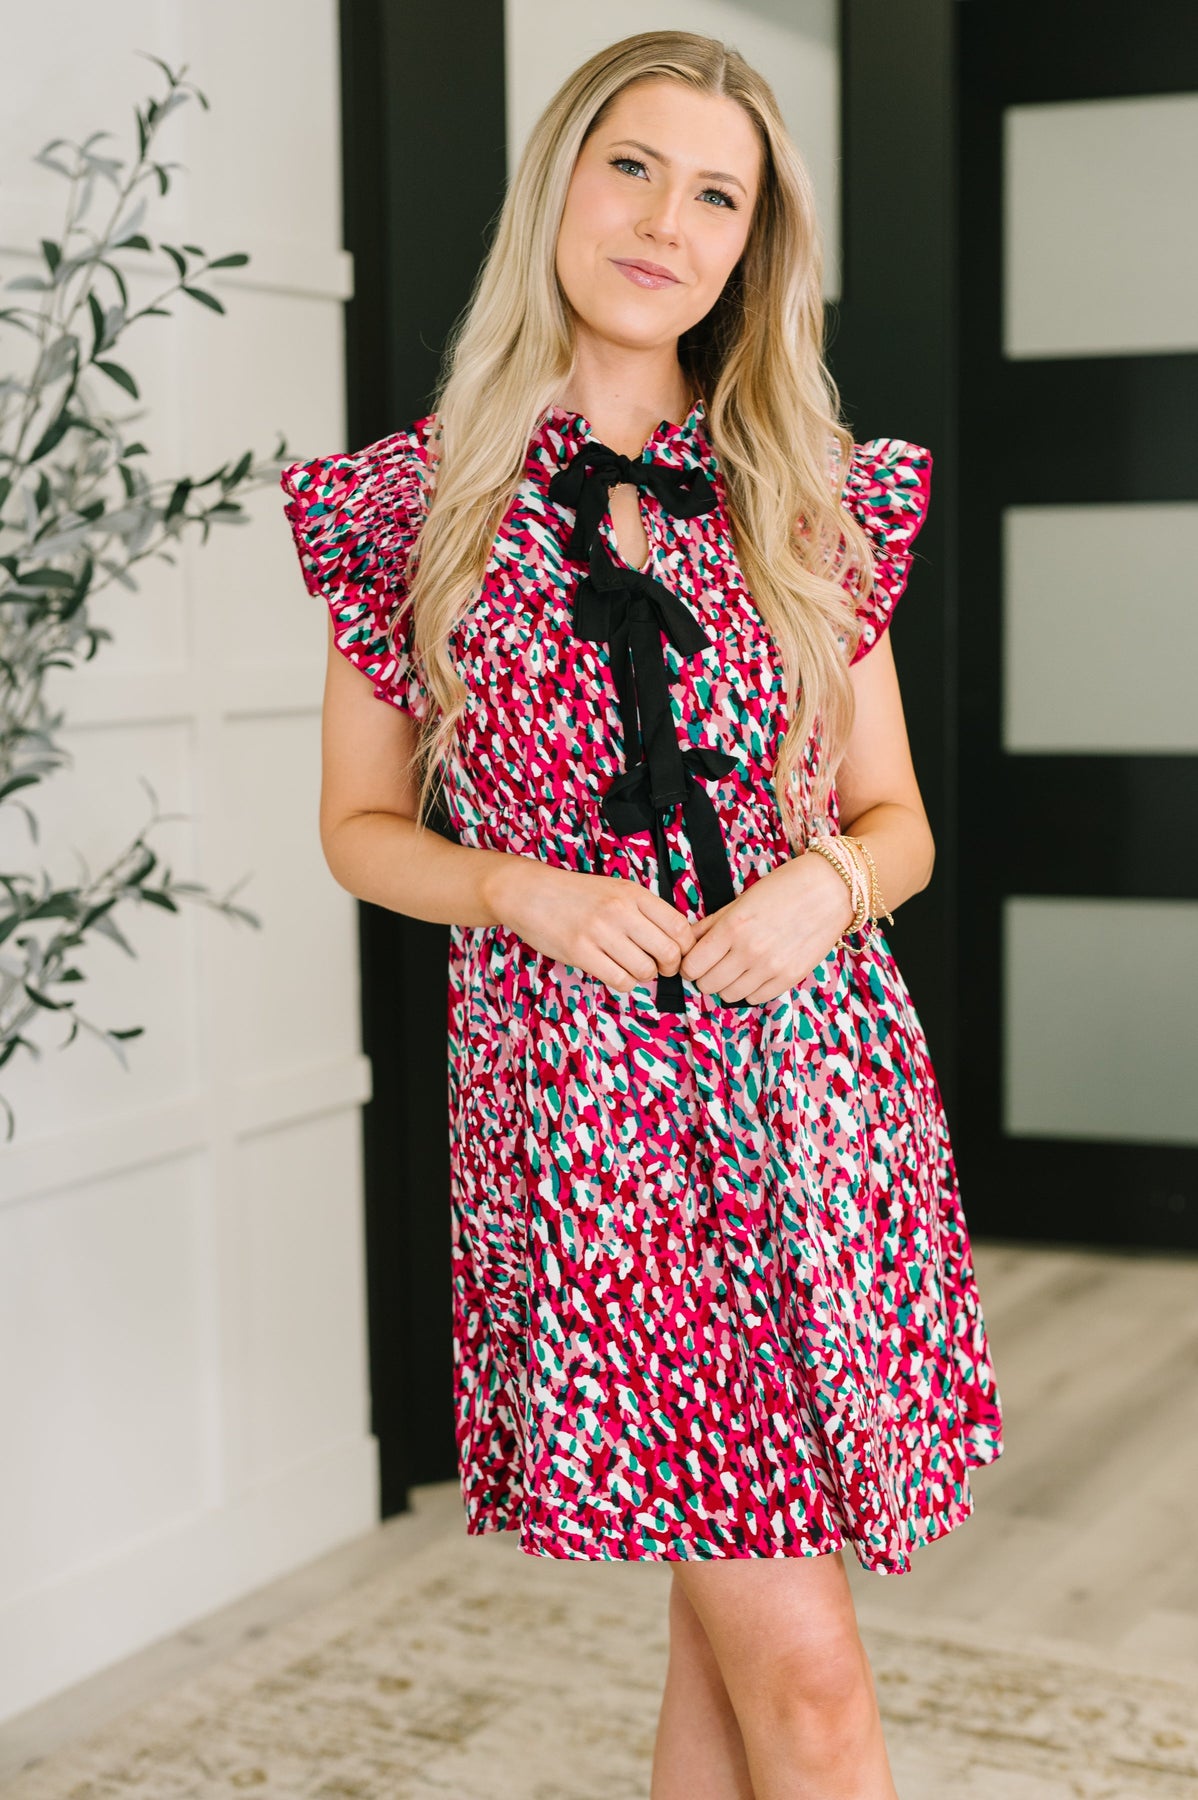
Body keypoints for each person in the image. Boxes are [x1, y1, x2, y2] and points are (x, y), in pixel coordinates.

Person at [280, 28, 1004, 1800]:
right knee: (804, 1683)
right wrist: (514, 888)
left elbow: (898, 824)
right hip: (587, 1125)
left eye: (715, 195)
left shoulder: (811, 492)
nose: (665, 223)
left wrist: (822, 887)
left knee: (731, 1643)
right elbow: (358, 832)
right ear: (558, 181)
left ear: (753, 243)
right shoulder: (402, 507)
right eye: (631, 167)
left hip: (818, 1100)